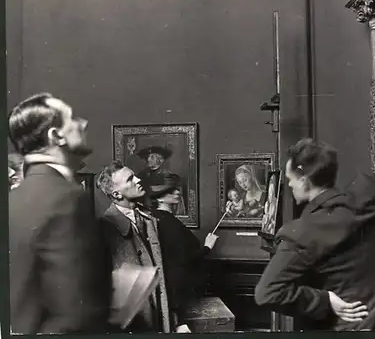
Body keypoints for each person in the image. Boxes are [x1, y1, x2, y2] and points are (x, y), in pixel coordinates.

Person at [254, 65, 375, 330]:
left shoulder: (301, 233)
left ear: (304, 179)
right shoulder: (373, 194)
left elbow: (266, 293)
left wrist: (325, 300)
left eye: (290, 178)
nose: (289, 184)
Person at [8, 93, 111, 334]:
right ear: (56, 136)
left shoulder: (14, 199)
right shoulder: (67, 197)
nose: (83, 123)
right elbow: (77, 316)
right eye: (72, 118)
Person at [97, 161, 188, 333]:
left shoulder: (151, 219)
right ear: (116, 194)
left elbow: (168, 272)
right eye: (130, 179)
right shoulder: (103, 229)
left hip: (163, 319)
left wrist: (177, 319)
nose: (138, 180)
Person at [149, 175, 218, 326]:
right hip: (176, 288)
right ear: (159, 198)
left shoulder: (158, 217)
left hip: (170, 285)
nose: (177, 192)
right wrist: (207, 247)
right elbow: (183, 258)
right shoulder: (168, 222)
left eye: (176, 189)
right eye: (170, 191)